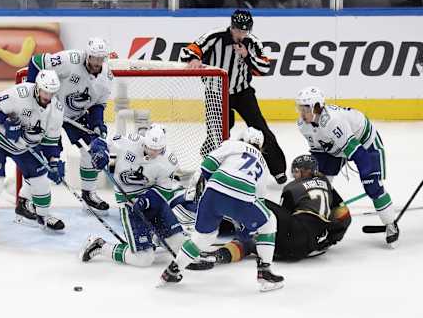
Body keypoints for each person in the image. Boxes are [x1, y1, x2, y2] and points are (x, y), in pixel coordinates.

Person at [159, 127, 284, 292]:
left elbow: (206, 167)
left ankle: (172, 271)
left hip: (212, 193)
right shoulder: (262, 163)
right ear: (260, 147)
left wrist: (195, 189)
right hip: (242, 197)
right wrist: (248, 226)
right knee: (270, 221)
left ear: (242, 138)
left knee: (202, 238)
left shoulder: (232, 145)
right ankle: (265, 271)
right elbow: (259, 200)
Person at [171, 154, 351, 263]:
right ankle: (222, 253)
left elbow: (282, 221)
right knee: (254, 243)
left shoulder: (291, 188)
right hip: (309, 246)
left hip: (296, 234)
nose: (294, 175)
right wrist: (330, 237)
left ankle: (225, 230)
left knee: (257, 206)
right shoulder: (327, 184)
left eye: (297, 171)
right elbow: (345, 215)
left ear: (305, 171)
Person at [79, 124, 209, 269]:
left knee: (179, 244)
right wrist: (101, 153)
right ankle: (100, 245)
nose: (152, 152)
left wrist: (146, 201)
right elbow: (100, 142)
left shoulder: (169, 161)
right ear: (144, 142)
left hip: (154, 200)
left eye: (157, 150)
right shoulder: (131, 141)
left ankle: (155, 237)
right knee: (144, 259)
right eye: (149, 148)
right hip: (128, 201)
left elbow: (164, 191)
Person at [181, 9, 287, 185]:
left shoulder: (252, 43)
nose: (241, 34)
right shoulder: (215, 36)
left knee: (261, 129)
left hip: (242, 92)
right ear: (232, 26)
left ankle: (278, 170)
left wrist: (247, 55)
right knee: (219, 131)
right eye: (238, 30)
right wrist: (193, 58)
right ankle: (211, 164)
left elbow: (265, 68)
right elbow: (191, 49)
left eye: (245, 31)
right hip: (216, 92)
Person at [16, 37, 113, 221]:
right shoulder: (70, 60)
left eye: (101, 59)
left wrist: (98, 125)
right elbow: (36, 62)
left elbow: (98, 105)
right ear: (87, 54)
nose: (97, 62)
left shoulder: (106, 77)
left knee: (92, 150)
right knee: (44, 158)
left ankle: (88, 195)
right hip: (50, 113)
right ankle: (24, 201)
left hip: (75, 116)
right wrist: (32, 100)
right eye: (94, 57)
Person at [0, 70, 65, 250]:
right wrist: (6, 122)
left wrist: (53, 161)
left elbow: (51, 142)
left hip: (24, 147)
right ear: (37, 88)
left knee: (41, 180)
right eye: (45, 91)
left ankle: (43, 216)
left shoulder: (56, 110)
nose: (47, 96)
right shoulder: (20, 94)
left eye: (51, 93)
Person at [295, 86, 398, 247]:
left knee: (373, 186)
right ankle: (319, 224)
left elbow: (358, 153)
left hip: (364, 143)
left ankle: (391, 224)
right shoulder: (303, 124)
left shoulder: (333, 122)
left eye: (306, 109)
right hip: (334, 146)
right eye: (300, 108)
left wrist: (367, 175)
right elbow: (319, 152)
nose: (302, 113)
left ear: (316, 107)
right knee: (320, 183)